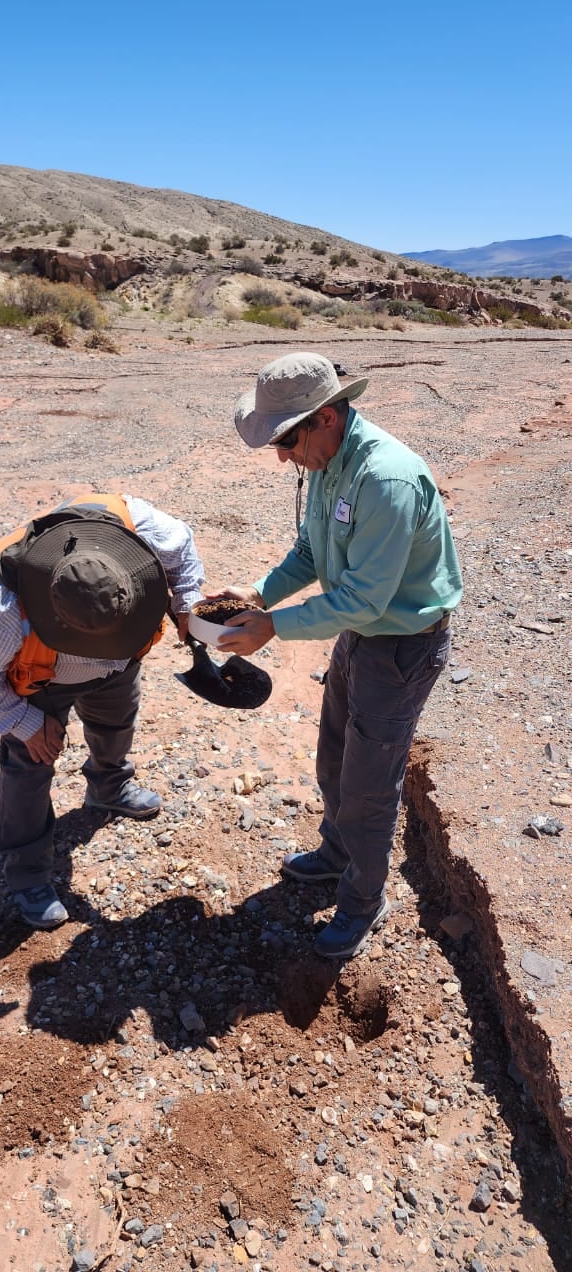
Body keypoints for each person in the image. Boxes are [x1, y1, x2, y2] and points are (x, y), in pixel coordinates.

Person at [216, 352, 463, 960]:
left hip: (400, 644)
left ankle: (362, 900)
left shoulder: (385, 479)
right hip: (361, 632)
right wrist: (259, 594)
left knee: (368, 786)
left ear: (325, 417)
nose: (280, 455)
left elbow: (361, 596)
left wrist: (272, 627)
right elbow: (310, 550)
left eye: (285, 439)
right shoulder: (327, 460)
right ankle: (336, 853)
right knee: (334, 756)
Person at [0, 489, 204, 930]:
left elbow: (183, 545)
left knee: (116, 721)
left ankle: (108, 788)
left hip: (121, 663)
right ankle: (28, 874)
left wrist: (185, 603)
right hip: (40, 677)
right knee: (29, 766)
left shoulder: (137, 527)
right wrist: (24, 722)